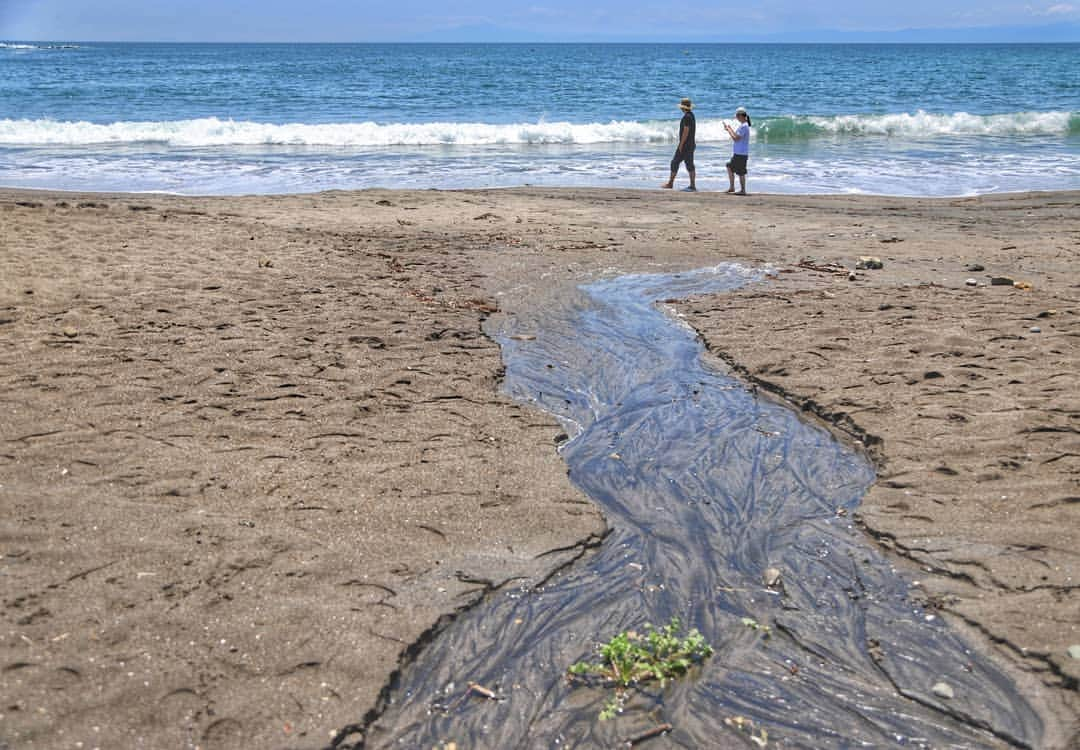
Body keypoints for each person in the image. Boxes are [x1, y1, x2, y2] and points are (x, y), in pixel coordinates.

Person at [661, 98, 696, 192]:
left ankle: (671, 183)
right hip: (690, 144)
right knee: (688, 164)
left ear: (683, 108)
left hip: (685, 145)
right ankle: (691, 185)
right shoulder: (691, 115)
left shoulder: (687, 117)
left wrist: (681, 144)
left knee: (675, 162)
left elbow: (686, 131)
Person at [724, 106, 751, 195]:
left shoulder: (744, 126)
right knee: (732, 167)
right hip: (740, 153)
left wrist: (728, 130)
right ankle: (734, 188)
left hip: (741, 153)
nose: (736, 118)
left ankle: (741, 190)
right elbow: (736, 135)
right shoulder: (744, 125)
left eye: (737, 116)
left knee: (740, 171)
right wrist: (730, 129)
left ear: (740, 116)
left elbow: (736, 138)